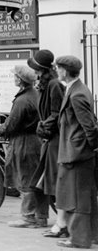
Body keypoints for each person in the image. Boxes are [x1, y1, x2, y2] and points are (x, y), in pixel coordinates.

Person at [53, 55, 98, 248]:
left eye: (58, 68)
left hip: (77, 154)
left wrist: (90, 147)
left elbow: (89, 126)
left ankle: (79, 239)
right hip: (76, 151)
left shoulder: (77, 93)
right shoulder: (76, 89)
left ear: (64, 71)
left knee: (77, 198)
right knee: (84, 197)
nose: (56, 71)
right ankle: (92, 235)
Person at [0, 66, 45, 228]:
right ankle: (41, 217)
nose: (13, 78)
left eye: (15, 76)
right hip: (36, 141)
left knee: (25, 180)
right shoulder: (35, 94)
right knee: (36, 180)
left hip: (23, 143)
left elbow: (11, 124)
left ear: (20, 80)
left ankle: (28, 218)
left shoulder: (22, 100)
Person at [27, 50, 66, 238]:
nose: (34, 72)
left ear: (42, 70)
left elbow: (57, 112)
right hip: (48, 139)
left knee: (50, 182)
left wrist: (43, 127)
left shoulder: (54, 85)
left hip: (54, 140)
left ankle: (64, 222)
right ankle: (55, 221)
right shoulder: (45, 85)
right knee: (43, 182)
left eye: (36, 69)